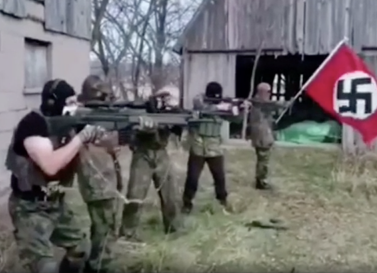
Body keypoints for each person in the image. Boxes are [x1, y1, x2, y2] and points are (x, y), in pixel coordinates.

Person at [6, 78, 109, 273]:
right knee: (45, 268)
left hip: (56, 203)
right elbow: (50, 166)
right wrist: (81, 138)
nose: (74, 106)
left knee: (81, 249)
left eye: (75, 101)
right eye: (69, 102)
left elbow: (110, 143)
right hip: (29, 208)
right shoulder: (33, 124)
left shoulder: (70, 122)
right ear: (53, 102)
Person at [119, 90, 182, 241]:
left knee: (170, 194)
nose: (163, 101)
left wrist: (173, 109)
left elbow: (178, 128)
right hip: (142, 154)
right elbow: (128, 130)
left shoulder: (170, 112)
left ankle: (173, 229)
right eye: (161, 98)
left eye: (165, 98)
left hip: (161, 153)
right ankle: (127, 233)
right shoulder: (141, 110)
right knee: (135, 195)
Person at [75, 75, 123, 273]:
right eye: (105, 97)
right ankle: (100, 266)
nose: (108, 101)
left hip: (105, 178)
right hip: (97, 181)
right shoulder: (83, 118)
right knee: (105, 229)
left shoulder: (99, 118)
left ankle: (95, 264)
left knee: (102, 227)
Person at [182, 81, 236, 214]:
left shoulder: (223, 105)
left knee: (219, 177)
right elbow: (201, 107)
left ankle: (222, 201)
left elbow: (236, 119)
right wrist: (220, 107)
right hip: (198, 145)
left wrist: (239, 107)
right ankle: (187, 204)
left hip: (214, 146)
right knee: (192, 178)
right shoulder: (199, 101)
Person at [249, 82, 288, 190]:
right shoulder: (259, 102)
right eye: (269, 91)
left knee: (262, 158)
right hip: (262, 134)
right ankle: (261, 181)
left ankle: (260, 179)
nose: (270, 94)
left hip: (262, 133)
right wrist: (287, 103)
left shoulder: (259, 102)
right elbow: (274, 104)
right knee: (263, 159)